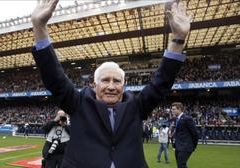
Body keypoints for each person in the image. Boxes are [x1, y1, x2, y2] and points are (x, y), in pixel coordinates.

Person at [31, 0, 191, 167]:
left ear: (124, 85)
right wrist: (39, 26)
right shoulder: (78, 103)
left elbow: (161, 82)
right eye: (105, 80)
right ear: (95, 85)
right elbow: (54, 77)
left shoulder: (136, 107)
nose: (111, 86)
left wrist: (178, 39)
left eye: (117, 81)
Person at [171, 102, 198, 168]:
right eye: (172, 109)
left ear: (179, 109)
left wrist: (193, 146)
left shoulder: (187, 119)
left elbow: (195, 133)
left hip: (185, 147)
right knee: (180, 165)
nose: (172, 111)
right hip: (178, 147)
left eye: (174, 109)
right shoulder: (177, 119)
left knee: (181, 165)